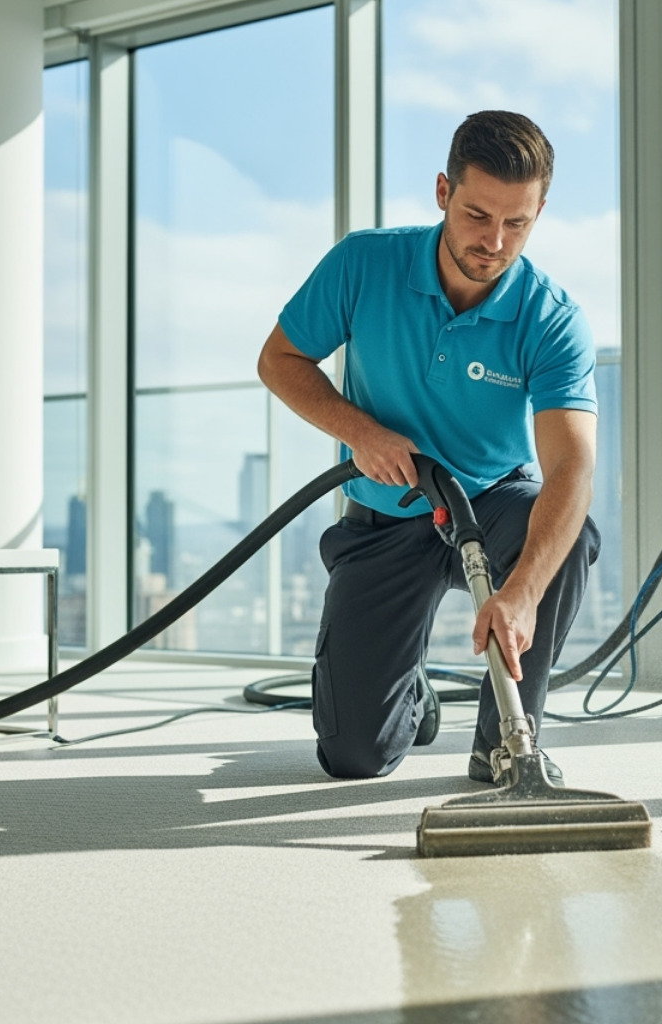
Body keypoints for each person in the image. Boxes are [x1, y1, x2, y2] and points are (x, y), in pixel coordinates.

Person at [256, 110, 599, 783]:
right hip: (385, 513)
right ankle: (413, 696)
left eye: (517, 223)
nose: (494, 242)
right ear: (443, 191)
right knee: (353, 755)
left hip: (493, 505)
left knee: (566, 532)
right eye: (477, 214)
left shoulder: (551, 317)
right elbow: (280, 359)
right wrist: (360, 431)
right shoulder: (365, 263)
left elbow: (571, 466)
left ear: (540, 212)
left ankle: (505, 744)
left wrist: (524, 592)